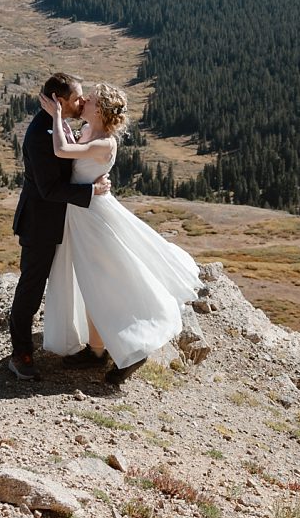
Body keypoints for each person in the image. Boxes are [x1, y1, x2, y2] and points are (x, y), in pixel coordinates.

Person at [41, 82, 201, 384]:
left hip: (94, 219)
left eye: (91, 99)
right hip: (82, 214)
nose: (84, 99)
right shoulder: (89, 132)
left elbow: (62, 150)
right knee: (91, 285)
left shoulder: (105, 143)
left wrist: (57, 114)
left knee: (108, 283)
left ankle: (136, 347)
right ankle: (97, 349)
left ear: (100, 110)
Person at [7, 72, 111, 382]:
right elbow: (49, 190)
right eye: (77, 98)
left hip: (66, 222)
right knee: (31, 288)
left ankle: (91, 343)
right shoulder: (40, 135)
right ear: (58, 101)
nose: (82, 102)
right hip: (40, 223)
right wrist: (91, 191)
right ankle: (21, 355)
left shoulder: (59, 122)